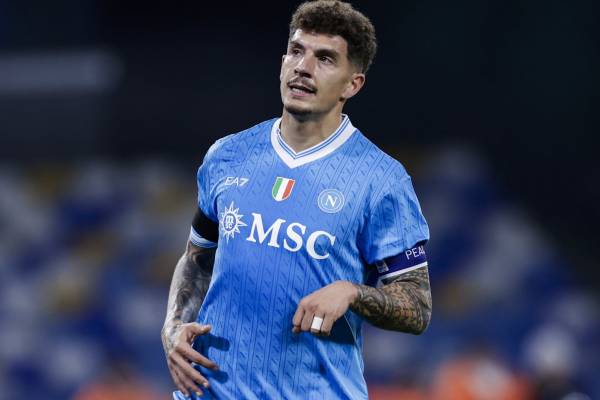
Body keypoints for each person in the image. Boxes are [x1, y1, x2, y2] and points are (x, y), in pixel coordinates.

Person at [161, 1, 432, 399]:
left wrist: (352, 292)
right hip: (211, 390)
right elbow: (198, 257)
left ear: (352, 84)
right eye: (296, 51)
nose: (303, 67)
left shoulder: (381, 180)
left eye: (325, 58)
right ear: (282, 62)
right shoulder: (227, 155)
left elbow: (417, 306)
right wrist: (172, 327)